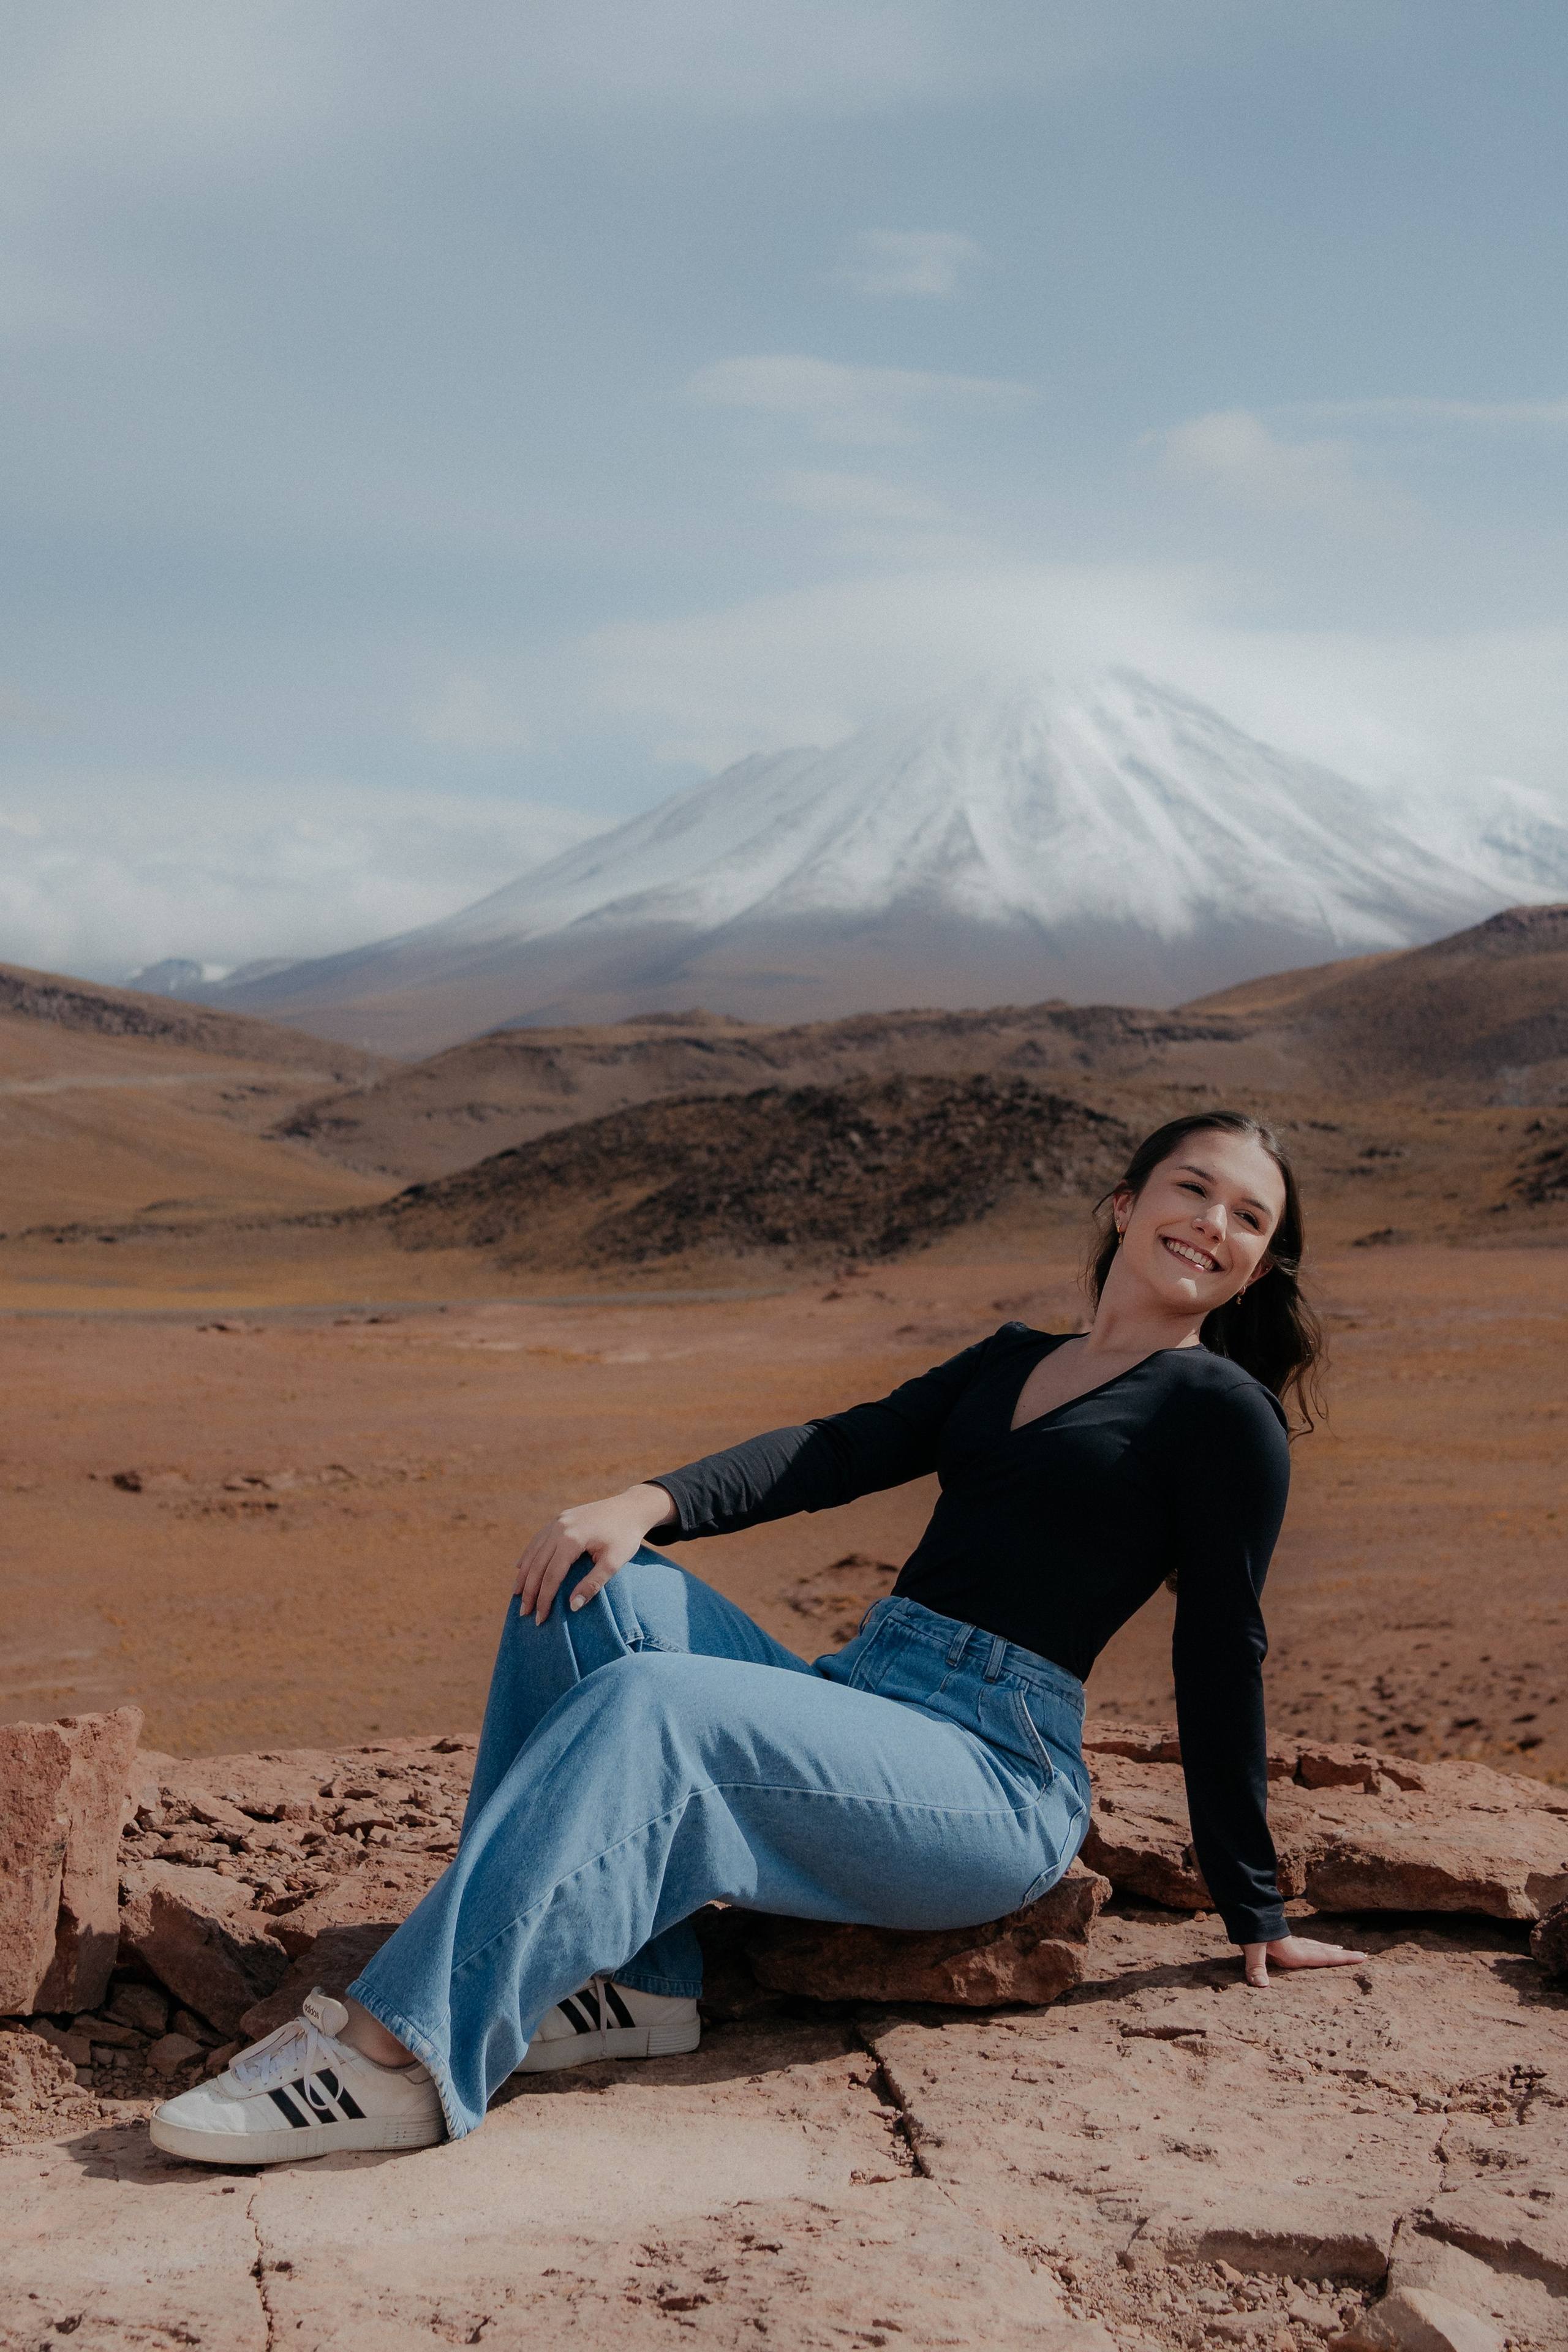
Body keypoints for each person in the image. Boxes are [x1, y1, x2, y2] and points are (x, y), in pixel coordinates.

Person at [150, 1109, 1365, 2167]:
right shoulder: (1012, 1362)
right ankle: (635, 1985)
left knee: (658, 1706)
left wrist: (1249, 1907)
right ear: (1123, 1203)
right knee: (590, 1584)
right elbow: (836, 1451)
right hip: (869, 1699)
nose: (1211, 1224)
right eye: (1192, 1190)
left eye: (1246, 1219)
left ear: (1256, 1269)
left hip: (992, 1778)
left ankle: (397, 2054)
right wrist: (644, 1503)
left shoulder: (1223, 1416)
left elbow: (1220, 1649)